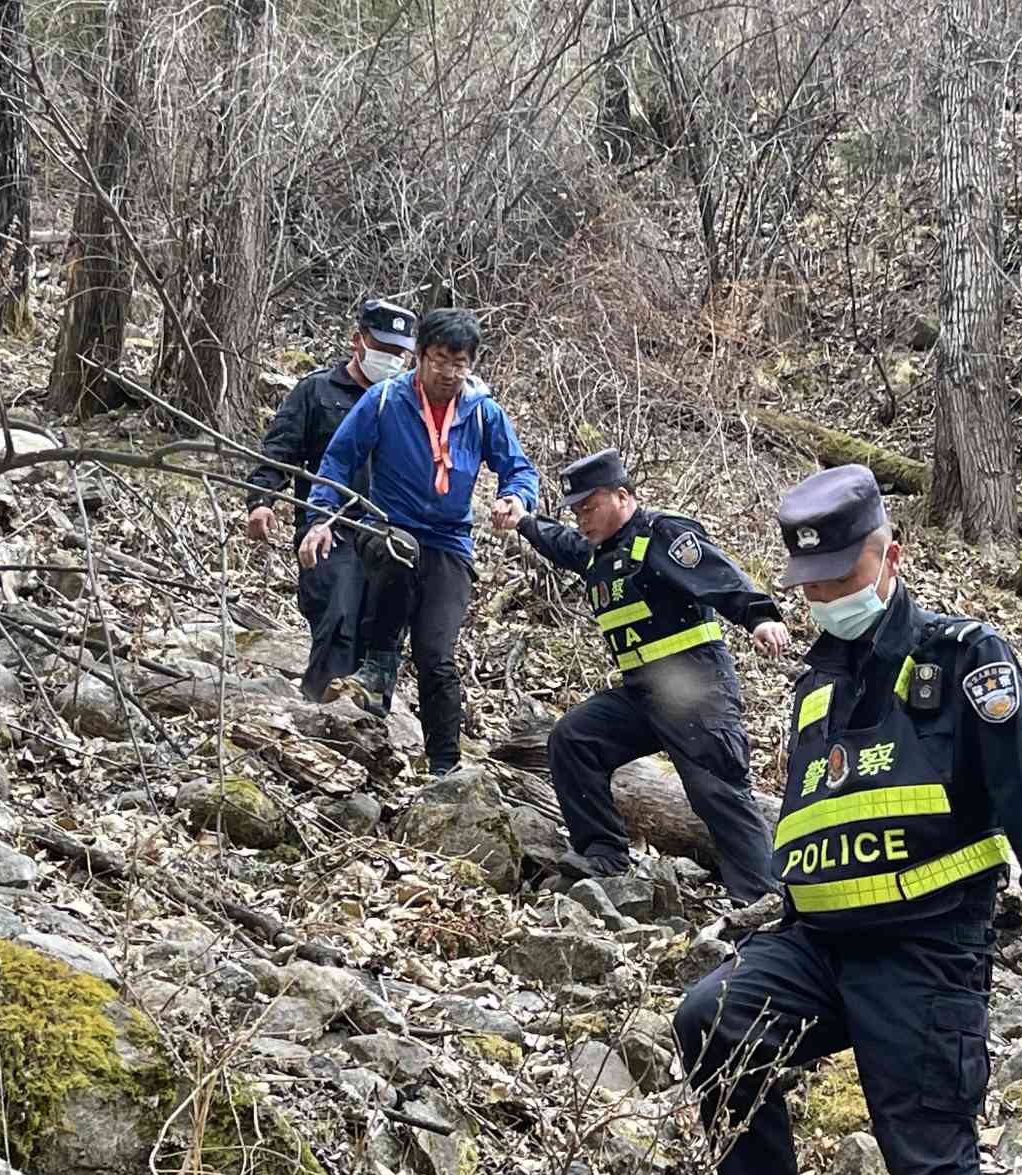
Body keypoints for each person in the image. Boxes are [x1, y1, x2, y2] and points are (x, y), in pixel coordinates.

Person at [671, 465, 1022, 1175]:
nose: (825, 599)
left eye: (842, 576)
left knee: (932, 1168)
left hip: (925, 949)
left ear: (890, 557)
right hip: (817, 942)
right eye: (811, 586)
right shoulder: (817, 678)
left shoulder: (962, 660)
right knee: (710, 1019)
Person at [492, 448, 791, 903]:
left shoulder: (661, 536)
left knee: (716, 792)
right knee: (574, 739)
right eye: (576, 511)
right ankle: (604, 853)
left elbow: (718, 575)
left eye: (589, 508)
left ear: (623, 497)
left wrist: (760, 617)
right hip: (642, 694)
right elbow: (563, 545)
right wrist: (526, 522)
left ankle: (762, 903)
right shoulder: (600, 554)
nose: (582, 520)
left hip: (697, 690)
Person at [302, 308, 539, 773]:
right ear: (420, 356)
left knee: (436, 655)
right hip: (390, 528)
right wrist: (320, 519)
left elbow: (519, 468)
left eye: (461, 362)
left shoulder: (482, 411)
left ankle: (445, 768)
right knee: (398, 552)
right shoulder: (384, 400)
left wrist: (515, 497)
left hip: (451, 542)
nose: (449, 373)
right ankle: (380, 664)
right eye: (440, 359)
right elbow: (337, 463)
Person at [245, 297, 417, 702]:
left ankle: (367, 716)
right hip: (327, 528)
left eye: (400, 354)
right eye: (383, 349)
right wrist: (261, 499)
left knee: (377, 626)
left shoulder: (408, 402)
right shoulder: (317, 390)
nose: (391, 360)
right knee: (338, 614)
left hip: (389, 531)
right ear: (358, 341)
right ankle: (320, 708)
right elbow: (279, 451)